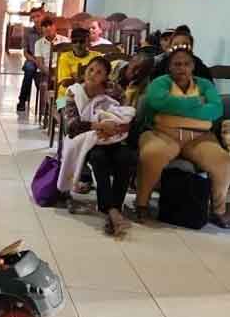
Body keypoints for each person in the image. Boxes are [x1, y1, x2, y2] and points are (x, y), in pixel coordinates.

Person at [135, 47, 230, 227]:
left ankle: (218, 211)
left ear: (193, 66)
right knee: (152, 154)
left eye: (186, 64)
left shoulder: (205, 85)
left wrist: (175, 107)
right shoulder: (160, 82)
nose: (182, 68)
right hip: (162, 133)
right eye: (177, 64)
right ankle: (141, 205)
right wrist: (197, 104)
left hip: (199, 138)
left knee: (223, 161)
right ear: (169, 67)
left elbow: (216, 109)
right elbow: (159, 102)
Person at [62, 57, 136, 236]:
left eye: (99, 72)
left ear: (106, 76)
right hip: (87, 140)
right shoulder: (74, 91)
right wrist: (100, 126)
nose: (93, 74)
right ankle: (110, 211)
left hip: (114, 137)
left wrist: (115, 127)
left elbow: (126, 114)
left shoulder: (114, 90)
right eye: (91, 69)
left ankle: (114, 208)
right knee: (98, 158)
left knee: (125, 157)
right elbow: (71, 126)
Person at [56, 28, 101, 98]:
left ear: (88, 42)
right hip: (63, 98)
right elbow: (64, 82)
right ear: (71, 43)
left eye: (82, 41)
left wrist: (78, 78)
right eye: (74, 41)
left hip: (90, 97)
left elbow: (102, 78)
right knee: (62, 106)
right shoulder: (64, 57)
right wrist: (88, 78)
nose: (78, 45)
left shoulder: (97, 56)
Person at [16, 6, 45, 112]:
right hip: (32, 59)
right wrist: (36, 61)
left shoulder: (48, 31)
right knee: (29, 69)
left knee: (41, 75)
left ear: (43, 16)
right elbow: (25, 53)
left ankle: (45, 104)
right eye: (33, 17)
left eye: (38, 16)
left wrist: (42, 63)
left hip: (46, 60)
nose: (36, 19)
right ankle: (22, 100)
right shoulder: (28, 32)